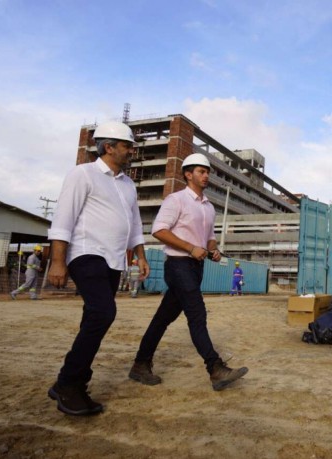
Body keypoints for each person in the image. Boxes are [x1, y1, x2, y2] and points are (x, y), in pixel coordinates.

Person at [45, 121, 150, 416]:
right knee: (104, 313)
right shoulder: (83, 174)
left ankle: (68, 381)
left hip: (115, 259)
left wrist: (140, 256)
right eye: (127, 146)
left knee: (95, 317)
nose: (131, 151)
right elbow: (63, 219)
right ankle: (69, 384)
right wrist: (57, 261)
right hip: (86, 252)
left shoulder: (128, 184)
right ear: (108, 147)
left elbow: (135, 225)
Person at [129, 153, 248, 391]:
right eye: (201, 172)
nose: (206, 176)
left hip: (196, 267)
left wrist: (213, 250)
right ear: (188, 174)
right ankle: (215, 368)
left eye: (207, 172)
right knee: (197, 314)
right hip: (178, 264)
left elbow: (210, 239)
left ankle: (140, 365)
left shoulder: (209, 207)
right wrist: (191, 248)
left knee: (162, 319)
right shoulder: (176, 200)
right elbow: (159, 230)